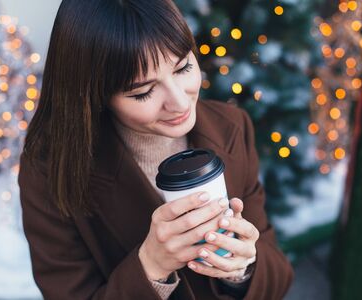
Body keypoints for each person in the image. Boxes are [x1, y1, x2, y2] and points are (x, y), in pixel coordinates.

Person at [18, 0, 294, 299]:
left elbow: (278, 272)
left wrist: (243, 269)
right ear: (94, 95)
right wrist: (151, 265)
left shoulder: (232, 126)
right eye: (143, 91)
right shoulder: (49, 172)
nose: (179, 102)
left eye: (183, 67)